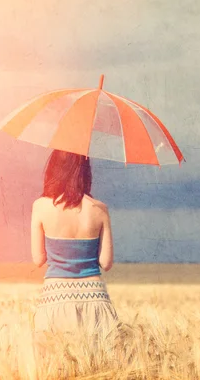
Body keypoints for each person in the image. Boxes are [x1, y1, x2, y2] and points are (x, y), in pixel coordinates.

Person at [30, 149, 120, 352]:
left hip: (55, 297)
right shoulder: (100, 208)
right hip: (95, 298)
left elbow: (38, 259)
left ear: (54, 170)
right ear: (85, 173)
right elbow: (106, 263)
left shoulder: (41, 206)